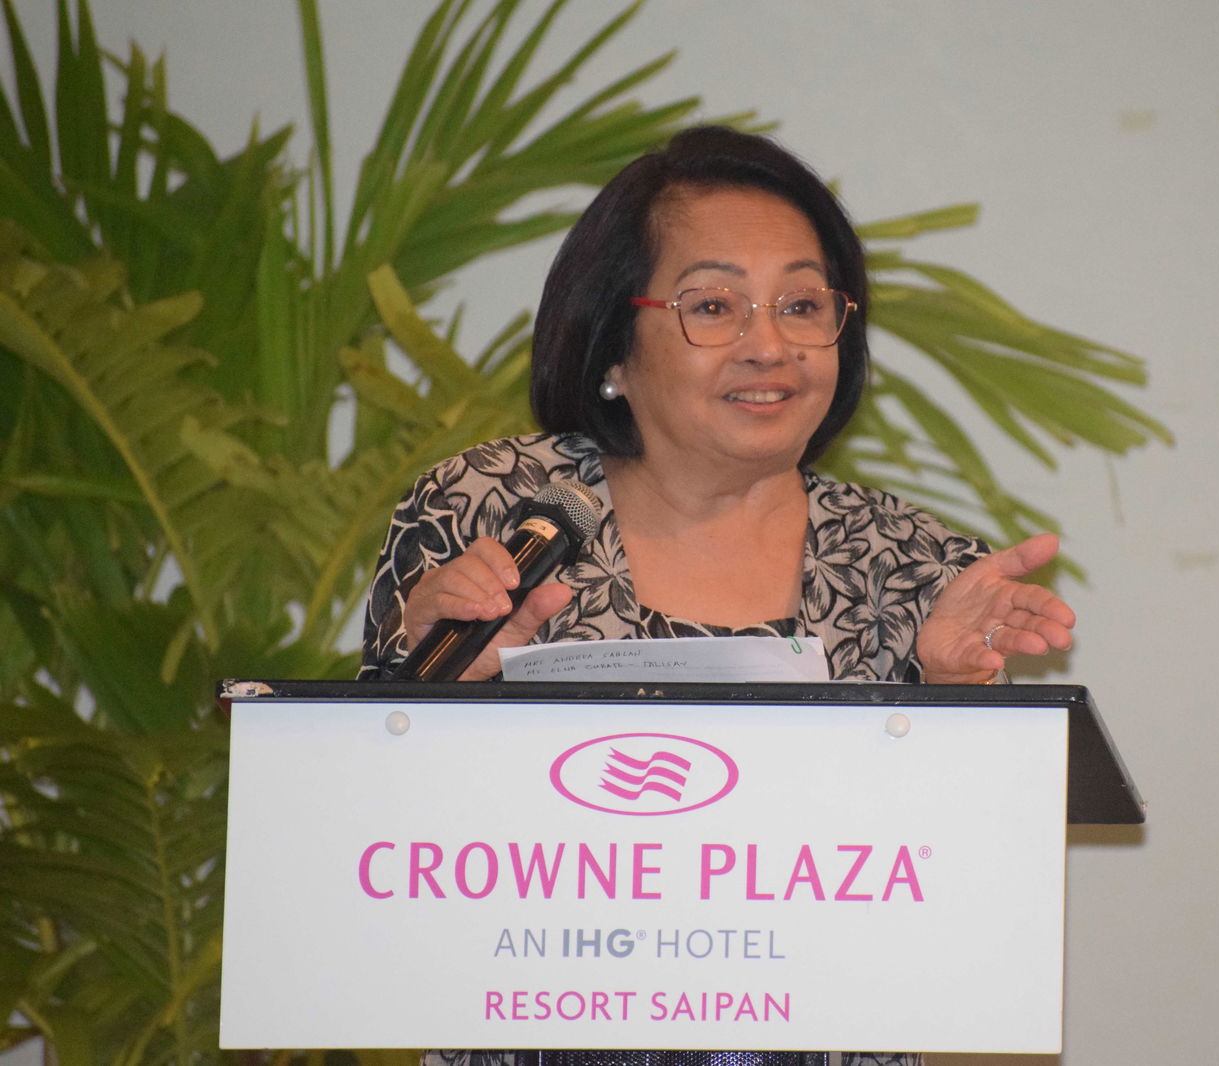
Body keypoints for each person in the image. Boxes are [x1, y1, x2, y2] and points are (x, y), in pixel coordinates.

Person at [359, 126, 1075, 1065]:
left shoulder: (913, 565)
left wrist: (950, 704)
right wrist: (429, 683)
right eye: (713, 306)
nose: (768, 345)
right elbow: (368, 836)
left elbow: (959, 906)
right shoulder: (495, 512)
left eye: (801, 304)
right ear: (614, 344)